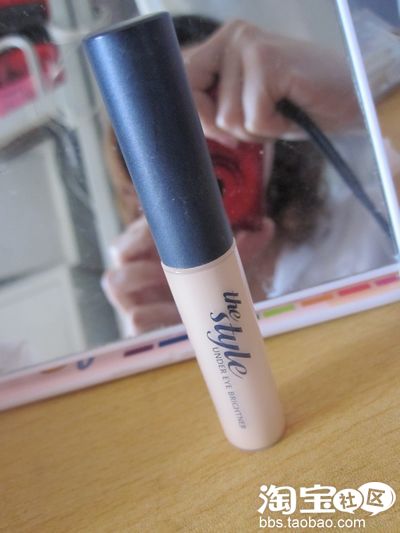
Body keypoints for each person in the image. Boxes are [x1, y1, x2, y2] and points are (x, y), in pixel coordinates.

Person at [102, 19, 395, 335]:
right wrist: (181, 346)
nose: (199, 157)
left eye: (212, 103)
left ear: (265, 125)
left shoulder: (375, 224)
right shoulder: (165, 306)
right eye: (164, 136)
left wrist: (362, 93)